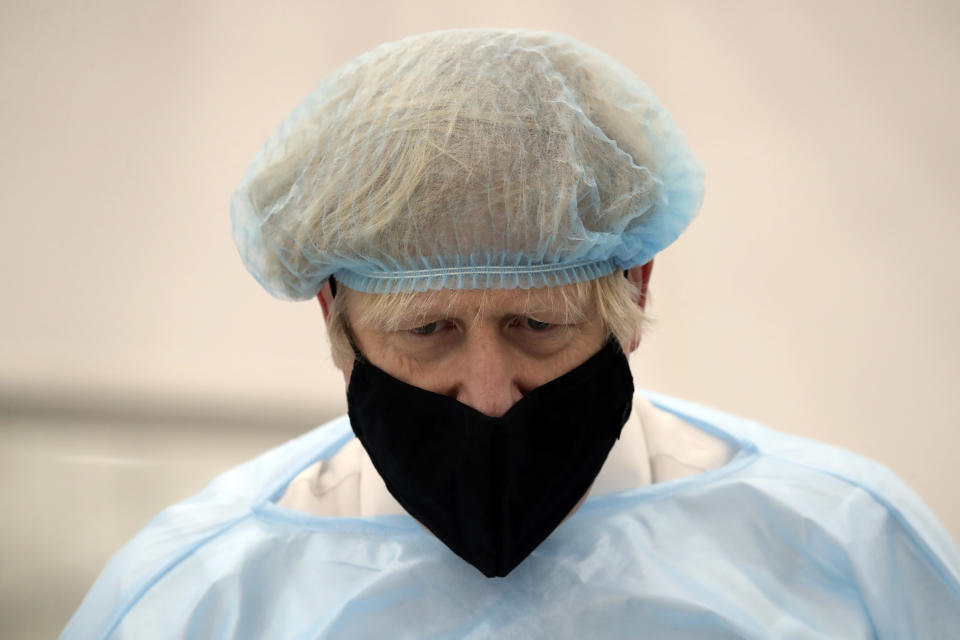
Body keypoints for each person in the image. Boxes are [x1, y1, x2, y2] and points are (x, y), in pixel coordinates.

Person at [63, 29, 960, 639]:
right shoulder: (199, 596)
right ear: (334, 312)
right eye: (429, 330)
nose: (489, 392)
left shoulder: (849, 547)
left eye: (537, 325)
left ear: (633, 289)